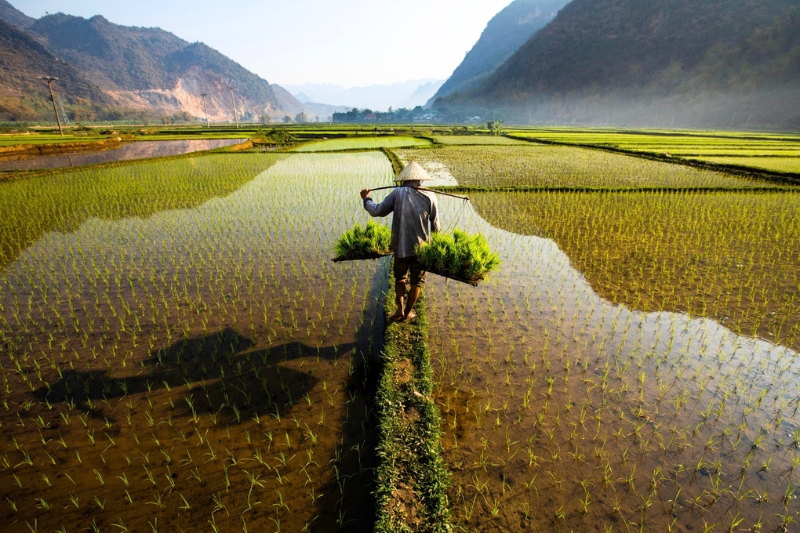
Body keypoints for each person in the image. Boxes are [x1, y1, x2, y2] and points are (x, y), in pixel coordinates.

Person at [360, 161, 440, 321]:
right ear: (420, 180)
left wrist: (366, 199)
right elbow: (436, 227)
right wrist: (438, 252)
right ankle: (408, 313)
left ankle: (400, 310)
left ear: (404, 179)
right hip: (422, 249)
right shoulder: (431, 195)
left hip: (401, 246)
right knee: (417, 282)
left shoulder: (397, 193)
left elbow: (377, 211)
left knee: (400, 278)